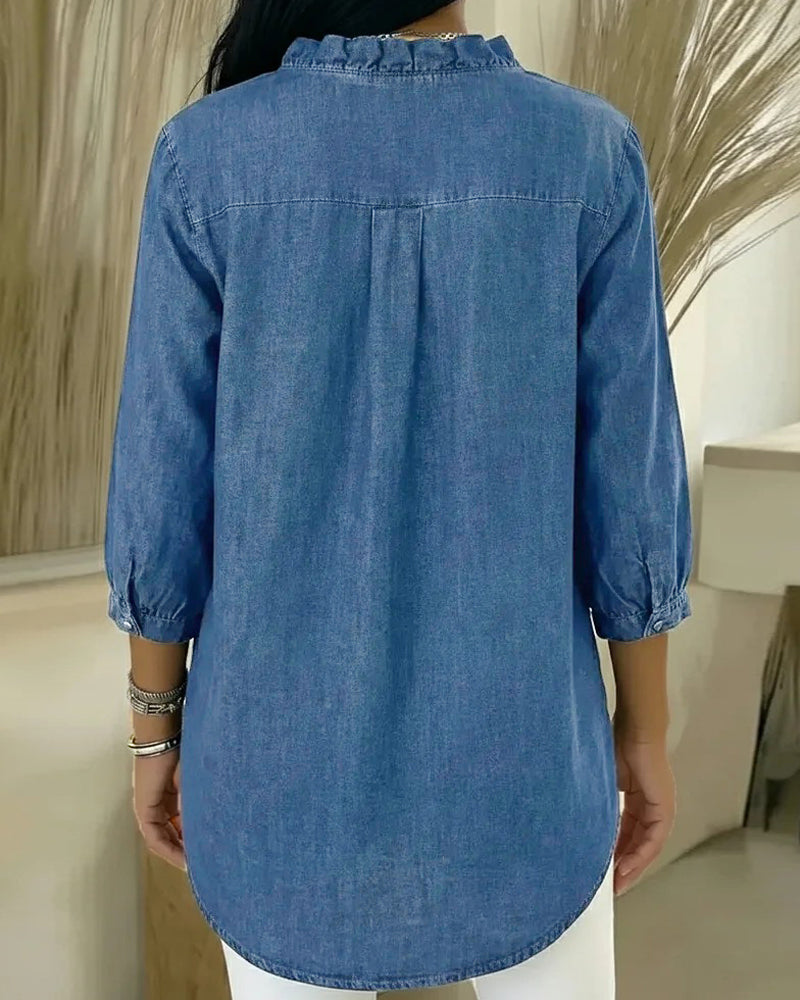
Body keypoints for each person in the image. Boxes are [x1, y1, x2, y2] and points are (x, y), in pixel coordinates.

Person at [104, 1, 693, 997]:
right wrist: (643, 730)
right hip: (526, 767)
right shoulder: (587, 154)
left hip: (275, 777)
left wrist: (156, 730)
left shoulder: (203, 158)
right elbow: (630, 494)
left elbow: (161, 500)